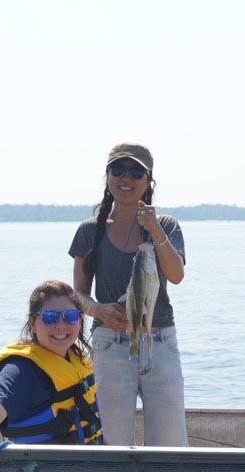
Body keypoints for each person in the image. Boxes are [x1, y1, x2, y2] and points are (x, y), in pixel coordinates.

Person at [69, 143, 188, 446]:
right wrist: (100, 310)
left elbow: (176, 276)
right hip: (110, 346)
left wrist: (155, 230)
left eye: (136, 171)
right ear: (107, 177)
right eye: (118, 169)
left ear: (148, 181)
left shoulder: (167, 226)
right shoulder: (88, 231)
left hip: (160, 342)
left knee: (170, 445)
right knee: (111, 443)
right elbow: (78, 296)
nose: (127, 177)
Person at [0, 280, 102, 456]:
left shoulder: (76, 358)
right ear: (32, 323)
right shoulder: (21, 369)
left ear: (80, 321)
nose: (60, 325)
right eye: (49, 317)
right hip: (40, 469)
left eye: (70, 316)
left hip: (87, 461)